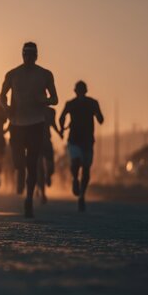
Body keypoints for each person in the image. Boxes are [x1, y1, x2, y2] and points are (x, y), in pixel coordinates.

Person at [0, 42, 58, 218]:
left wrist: (44, 100)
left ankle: (29, 199)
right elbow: (2, 95)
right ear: (22, 55)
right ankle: (20, 173)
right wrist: (7, 107)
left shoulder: (45, 74)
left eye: (32, 55)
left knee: (32, 164)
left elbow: (55, 98)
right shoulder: (12, 74)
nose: (29, 58)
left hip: (36, 123)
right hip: (17, 124)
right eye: (27, 54)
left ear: (37, 56)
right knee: (19, 162)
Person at [59, 80, 104, 212]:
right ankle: (74, 179)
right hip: (74, 140)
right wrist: (62, 128)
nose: (80, 93)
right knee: (76, 161)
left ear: (84, 91)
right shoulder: (71, 104)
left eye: (81, 91)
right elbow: (62, 117)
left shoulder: (92, 103)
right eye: (79, 91)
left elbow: (101, 119)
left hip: (88, 141)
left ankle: (82, 196)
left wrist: (97, 113)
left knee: (86, 170)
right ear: (76, 91)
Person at [36, 106, 62, 203]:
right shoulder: (33, 109)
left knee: (50, 166)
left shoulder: (51, 111)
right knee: (39, 169)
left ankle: (49, 175)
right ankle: (43, 194)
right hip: (36, 143)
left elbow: (53, 124)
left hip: (47, 141)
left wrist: (59, 133)